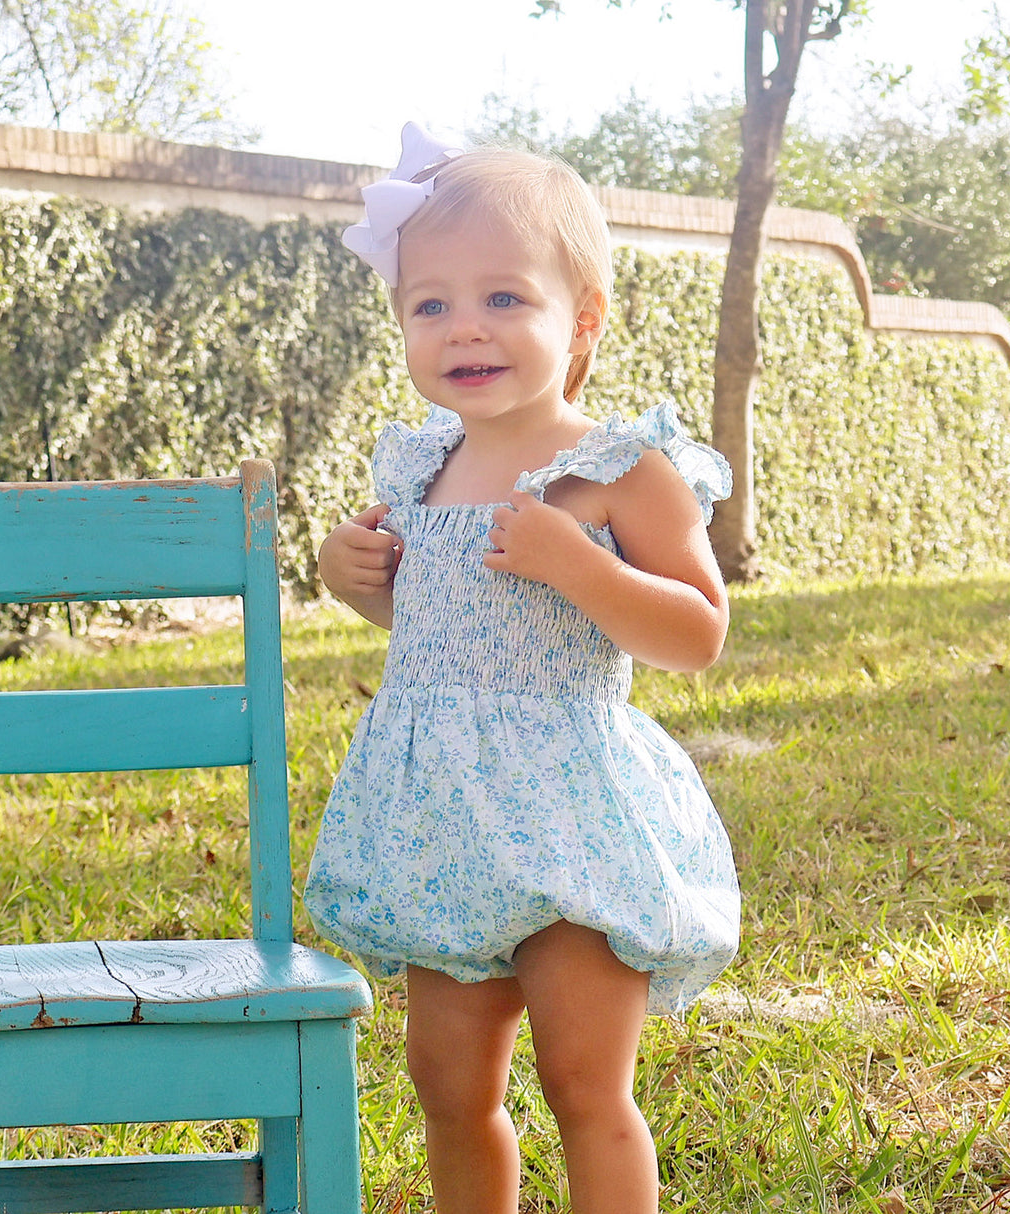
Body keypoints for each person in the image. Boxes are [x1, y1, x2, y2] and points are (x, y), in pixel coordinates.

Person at [305, 122, 740, 1214]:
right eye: (431, 304)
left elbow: (694, 633)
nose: (465, 328)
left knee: (583, 1081)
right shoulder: (418, 463)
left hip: (569, 811)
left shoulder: (616, 468)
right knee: (448, 1084)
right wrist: (352, 577)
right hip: (441, 815)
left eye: (504, 298)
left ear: (580, 319)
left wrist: (575, 565)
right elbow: (429, 620)